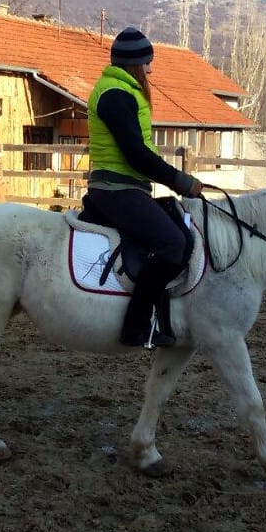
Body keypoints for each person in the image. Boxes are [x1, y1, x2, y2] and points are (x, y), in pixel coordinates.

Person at [83, 26, 203, 348]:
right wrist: (180, 181)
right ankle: (136, 326)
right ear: (135, 64)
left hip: (129, 187)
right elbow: (136, 154)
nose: (151, 69)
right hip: (116, 189)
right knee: (173, 244)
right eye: (147, 62)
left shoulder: (126, 91)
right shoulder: (115, 94)